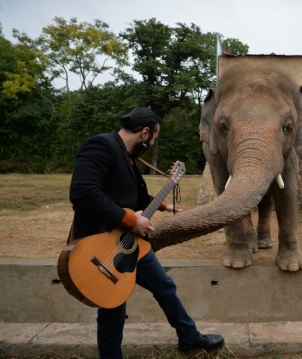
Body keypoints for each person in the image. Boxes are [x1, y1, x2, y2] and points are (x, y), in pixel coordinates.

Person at [69, 107, 224, 358]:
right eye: (154, 137)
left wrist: (163, 205)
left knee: (164, 286)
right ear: (144, 132)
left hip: (129, 242)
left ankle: (189, 338)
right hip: (102, 245)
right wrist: (131, 219)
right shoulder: (100, 145)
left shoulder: (127, 156)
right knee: (113, 307)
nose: (153, 142)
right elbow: (82, 192)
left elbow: (133, 196)